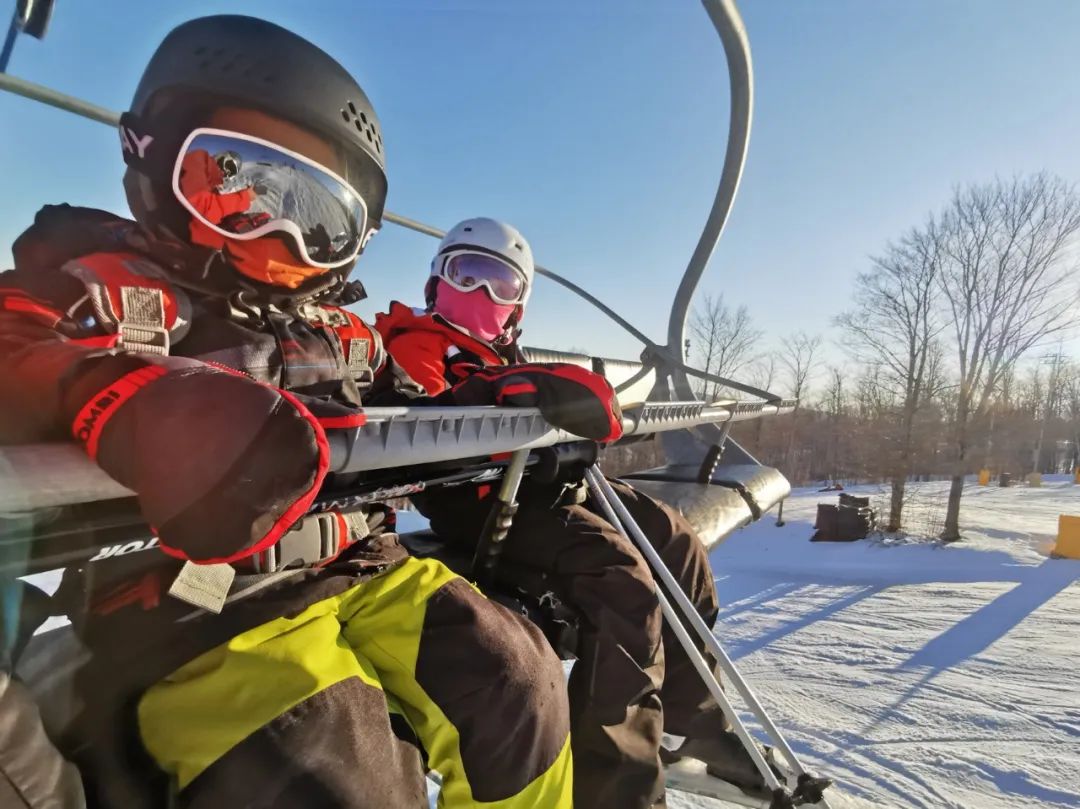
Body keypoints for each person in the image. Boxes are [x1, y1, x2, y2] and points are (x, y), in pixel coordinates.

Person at [0, 20, 624, 809]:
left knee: (518, 678)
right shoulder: (111, 291)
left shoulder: (336, 329)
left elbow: (418, 392)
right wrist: (116, 394)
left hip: (357, 564)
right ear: (151, 160)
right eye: (236, 183)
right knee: (332, 753)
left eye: (318, 219)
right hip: (195, 605)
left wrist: (514, 394)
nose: (280, 234)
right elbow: (15, 344)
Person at [375, 218, 767, 808]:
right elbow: (423, 418)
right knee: (621, 582)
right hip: (479, 500)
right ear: (437, 282)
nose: (483, 296)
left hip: (545, 482)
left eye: (501, 285)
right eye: (468, 275)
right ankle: (614, 786)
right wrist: (503, 394)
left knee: (674, 539)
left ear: (519, 306)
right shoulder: (417, 342)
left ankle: (691, 721)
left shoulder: (505, 351)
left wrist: (566, 421)